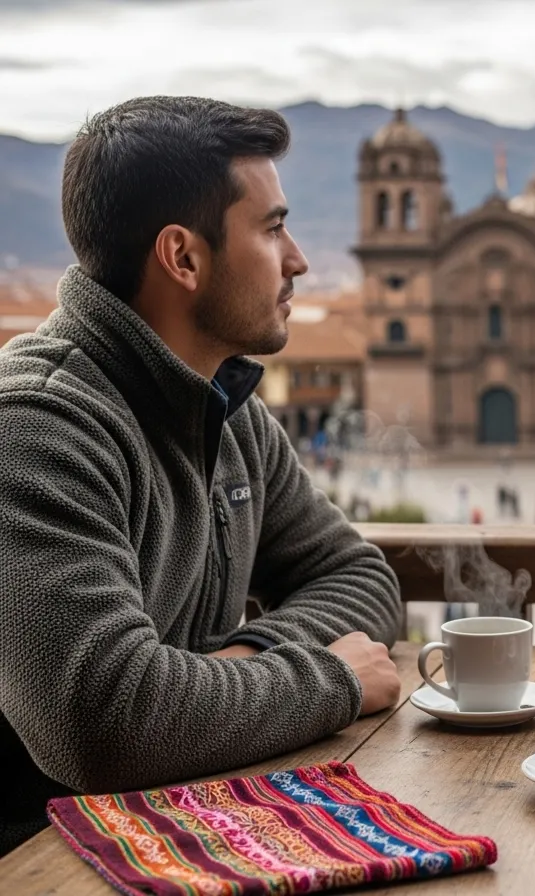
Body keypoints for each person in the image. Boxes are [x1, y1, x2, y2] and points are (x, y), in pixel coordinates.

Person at [0, 97, 403, 856]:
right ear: (183, 257)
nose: (299, 260)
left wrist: (235, 666)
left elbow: (359, 577)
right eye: (273, 227)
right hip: (46, 862)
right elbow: (105, 724)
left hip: (193, 833)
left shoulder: (224, 405)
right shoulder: (34, 428)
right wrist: (326, 679)